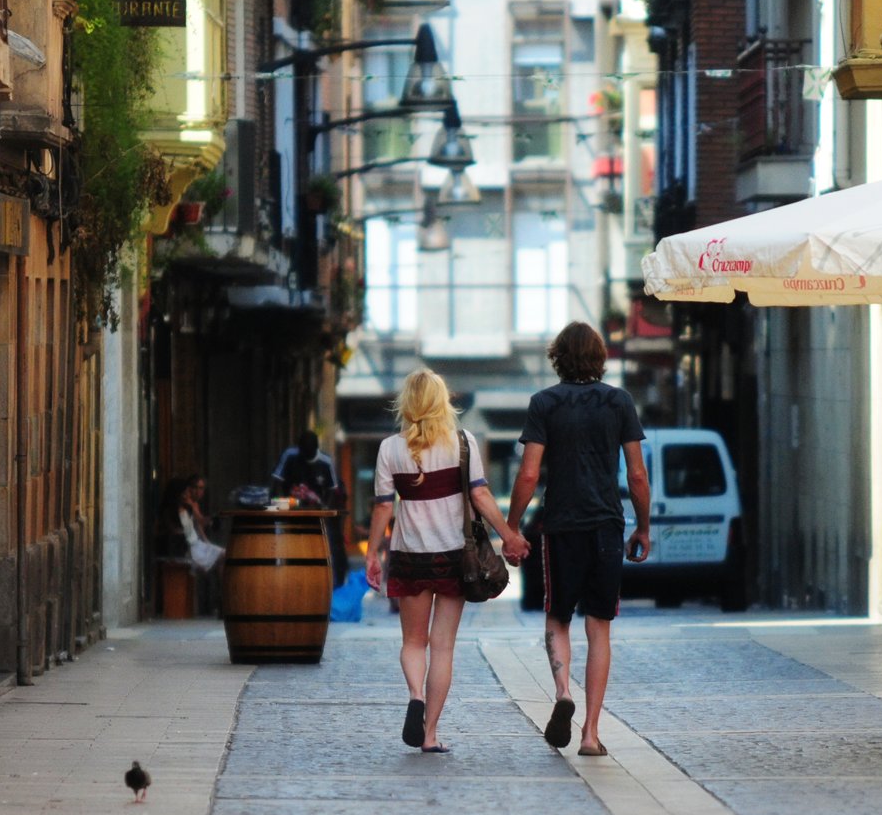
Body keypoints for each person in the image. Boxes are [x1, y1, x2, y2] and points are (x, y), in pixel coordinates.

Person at [507, 321, 651, 758]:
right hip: (607, 525)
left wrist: (512, 526)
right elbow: (638, 474)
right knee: (600, 626)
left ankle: (563, 691)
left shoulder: (544, 404)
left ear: (558, 358)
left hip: (562, 525)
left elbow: (529, 473)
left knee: (557, 617)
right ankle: (590, 733)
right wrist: (642, 526)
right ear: (600, 357)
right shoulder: (619, 402)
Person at [364, 369, 527, 754]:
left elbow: (383, 508)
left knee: (413, 642)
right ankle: (431, 733)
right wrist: (510, 536)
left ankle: (414, 695)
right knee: (443, 647)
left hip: (409, 556)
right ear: (442, 402)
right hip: (455, 557)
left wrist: (372, 553)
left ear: (407, 403)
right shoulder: (463, 443)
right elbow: (482, 497)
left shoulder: (390, 448)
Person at [272, 430, 348, 582]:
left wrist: (325, 508)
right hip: (291, 509)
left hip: (315, 511)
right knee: (290, 544)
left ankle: (324, 578)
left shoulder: (325, 461)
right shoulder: (290, 455)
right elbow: (277, 480)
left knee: (318, 545)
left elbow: (332, 489)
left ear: (315, 450)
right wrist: (277, 502)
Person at [180, 474, 225, 613]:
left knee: (223, 557)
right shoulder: (186, 505)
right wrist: (210, 519)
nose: (199, 492)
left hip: (197, 543)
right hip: (189, 546)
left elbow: (199, 528)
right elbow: (200, 520)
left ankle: (222, 596)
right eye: (197, 488)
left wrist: (208, 544)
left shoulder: (194, 505)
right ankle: (222, 598)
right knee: (223, 557)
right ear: (189, 489)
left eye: (202, 489)